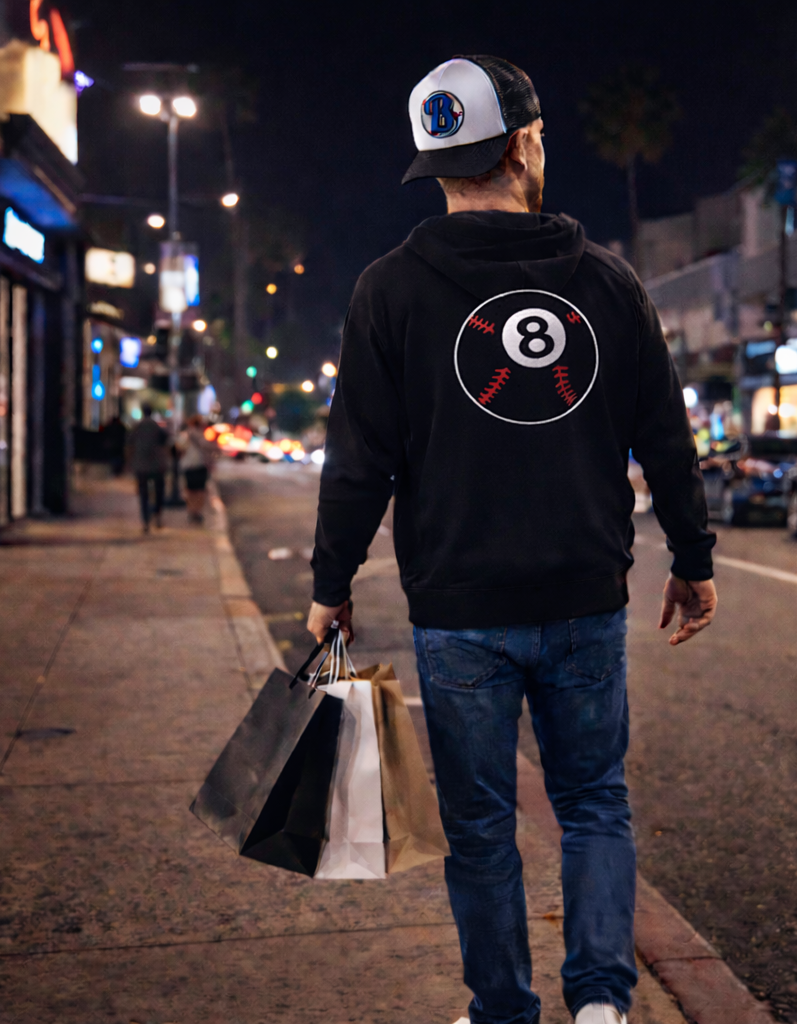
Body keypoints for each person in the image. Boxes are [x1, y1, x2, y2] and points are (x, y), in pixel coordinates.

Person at [307, 55, 717, 1024]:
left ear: (438, 167)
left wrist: (332, 582)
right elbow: (665, 436)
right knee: (593, 805)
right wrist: (692, 562)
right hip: (583, 594)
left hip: (459, 608)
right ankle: (603, 1006)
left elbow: (358, 456)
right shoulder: (606, 282)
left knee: (481, 826)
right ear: (527, 143)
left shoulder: (390, 290)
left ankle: (502, 1009)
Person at [127, 402, 169, 533]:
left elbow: (130, 444)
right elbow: (165, 440)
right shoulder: (156, 427)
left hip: (141, 466)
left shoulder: (137, 427)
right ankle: (157, 516)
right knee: (159, 491)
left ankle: (145, 522)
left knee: (143, 494)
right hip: (156, 465)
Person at [178, 414, 217, 523]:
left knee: (190, 491)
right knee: (200, 490)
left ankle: (191, 511)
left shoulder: (185, 435)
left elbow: (179, 449)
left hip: (188, 466)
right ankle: (197, 511)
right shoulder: (202, 435)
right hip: (200, 465)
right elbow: (210, 448)